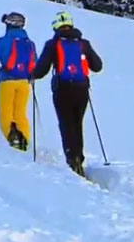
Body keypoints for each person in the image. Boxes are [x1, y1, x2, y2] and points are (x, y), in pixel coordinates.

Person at [34, 10, 103, 177]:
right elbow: (97, 66)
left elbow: (42, 69)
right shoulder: (83, 43)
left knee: (66, 124)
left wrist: (32, 75)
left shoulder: (52, 44)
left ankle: (72, 159)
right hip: (82, 89)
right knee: (77, 123)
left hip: (63, 88)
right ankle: (79, 157)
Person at [0, 12, 37, 151]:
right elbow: (34, 64)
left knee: (6, 113)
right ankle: (24, 139)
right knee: (20, 113)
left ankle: (12, 138)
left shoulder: (3, 41)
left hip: (6, 81)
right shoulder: (30, 44)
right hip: (25, 82)